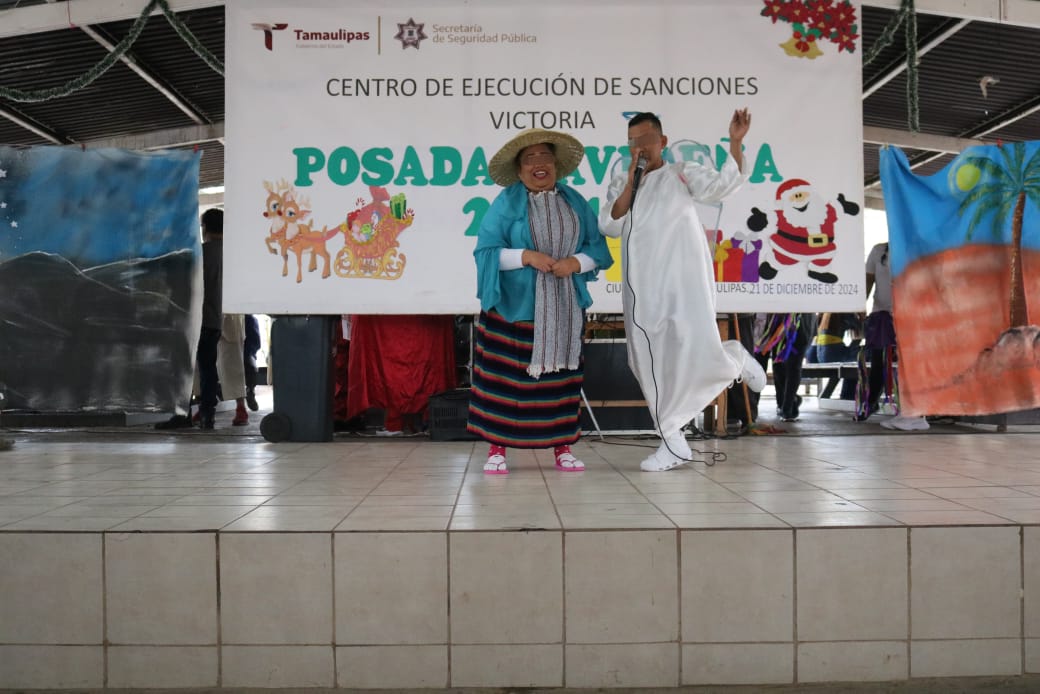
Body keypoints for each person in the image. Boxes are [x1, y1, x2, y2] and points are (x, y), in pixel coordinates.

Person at [600, 111, 766, 471]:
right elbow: (610, 224)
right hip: (641, 287)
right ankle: (675, 438)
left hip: (683, 279)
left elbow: (724, 185)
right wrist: (631, 181)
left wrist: (735, 142)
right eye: (632, 142)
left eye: (646, 140)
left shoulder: (681, 171)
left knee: (693, 347)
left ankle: (675, 438)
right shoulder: (622, 181)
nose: (639, 147)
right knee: (643, 360)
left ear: (662, 142)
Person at [468, 128, 614, 474]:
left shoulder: (575, 201)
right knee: (505, 382)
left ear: (556, 164)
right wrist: (526, 256)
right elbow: (486, 252)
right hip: (514, 309)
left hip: (564, 309)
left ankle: (561, 447)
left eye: (545, 156)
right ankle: (497, 449)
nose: (539, 164)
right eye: (530, 158)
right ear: (519, 170)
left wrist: (575, 263)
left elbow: (596, 249)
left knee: (559, 384)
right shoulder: (505, 204)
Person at [859, 241, 929, 430]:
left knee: (910, 364)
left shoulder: (916, 246)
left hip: (911, 315)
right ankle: (873, 404)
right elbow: (868, 280)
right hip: (882, 314)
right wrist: (859, 304)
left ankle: (915, 413)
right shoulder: (878, 250)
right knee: (880, 363)